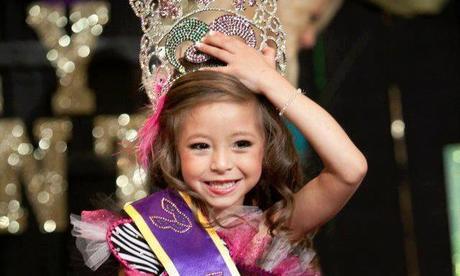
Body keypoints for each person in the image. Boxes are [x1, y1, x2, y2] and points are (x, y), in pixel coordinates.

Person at [71, 2, 367, 275]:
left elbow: (350, 169)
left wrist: (271, 82)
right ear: (173, 149)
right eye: (200, 146)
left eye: (242, 144)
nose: (222, 163)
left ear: (266, 145)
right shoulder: (150, 240)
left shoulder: (275, 229)